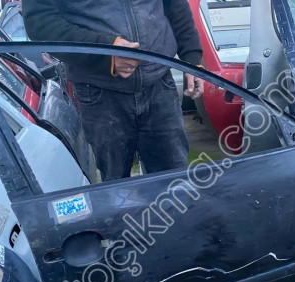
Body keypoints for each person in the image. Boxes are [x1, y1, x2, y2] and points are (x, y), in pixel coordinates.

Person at [22, 0, 204, 181]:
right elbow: (40, 22)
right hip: (100, 93)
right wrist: (104, 51)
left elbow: (175, 5)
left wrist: (192, 58)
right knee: (117, 187)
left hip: (159, 84)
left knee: (174, 183)